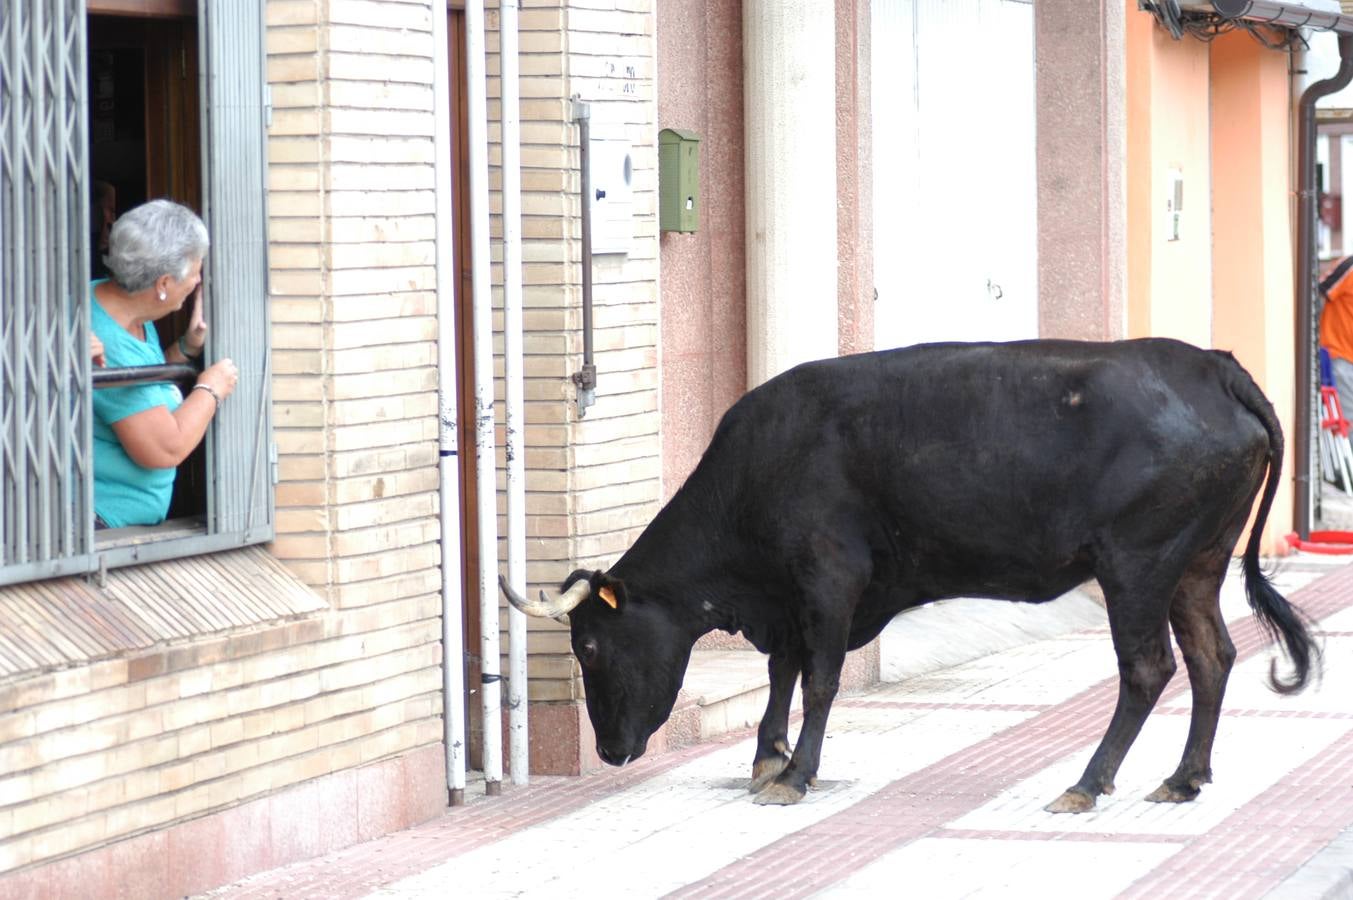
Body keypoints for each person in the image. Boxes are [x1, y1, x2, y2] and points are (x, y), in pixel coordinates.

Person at [91, 199, 238, 528]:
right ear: (163, 284)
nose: (198, 281)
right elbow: (163, 449)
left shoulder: (120, 309)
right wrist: (210, 389)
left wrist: (187, 347)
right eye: (196, 271)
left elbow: (143, 390)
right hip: (100, 527)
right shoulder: (109, 341)